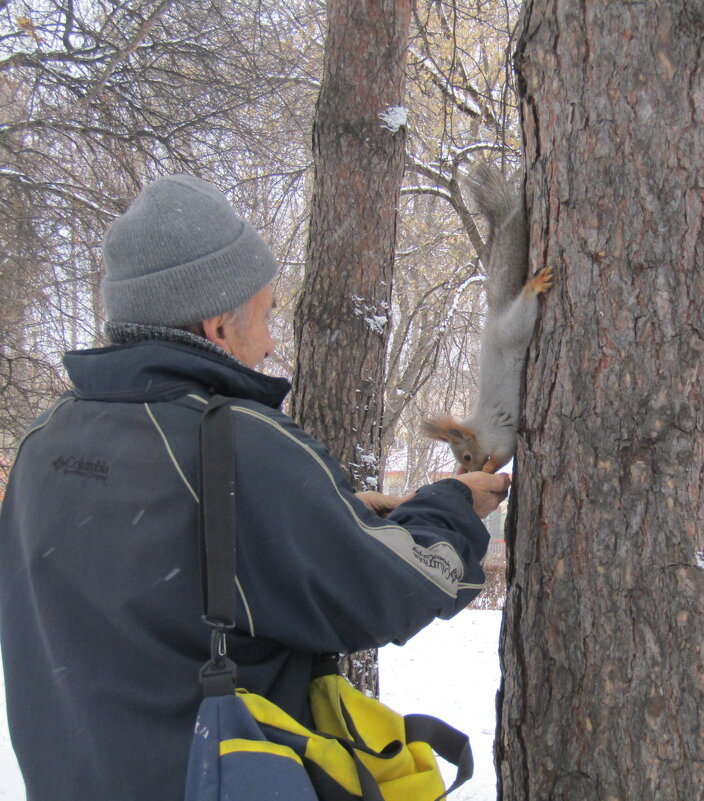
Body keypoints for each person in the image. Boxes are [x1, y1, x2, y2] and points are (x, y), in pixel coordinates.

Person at [0, 174, 510, 801]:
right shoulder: (234, 442)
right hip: (212, 780)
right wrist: (454, 504)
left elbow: (154, 569)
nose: (271, 344)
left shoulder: (45, 440)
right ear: (218, 326)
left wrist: (334, 512)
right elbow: (391, 590)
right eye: (267, 316)